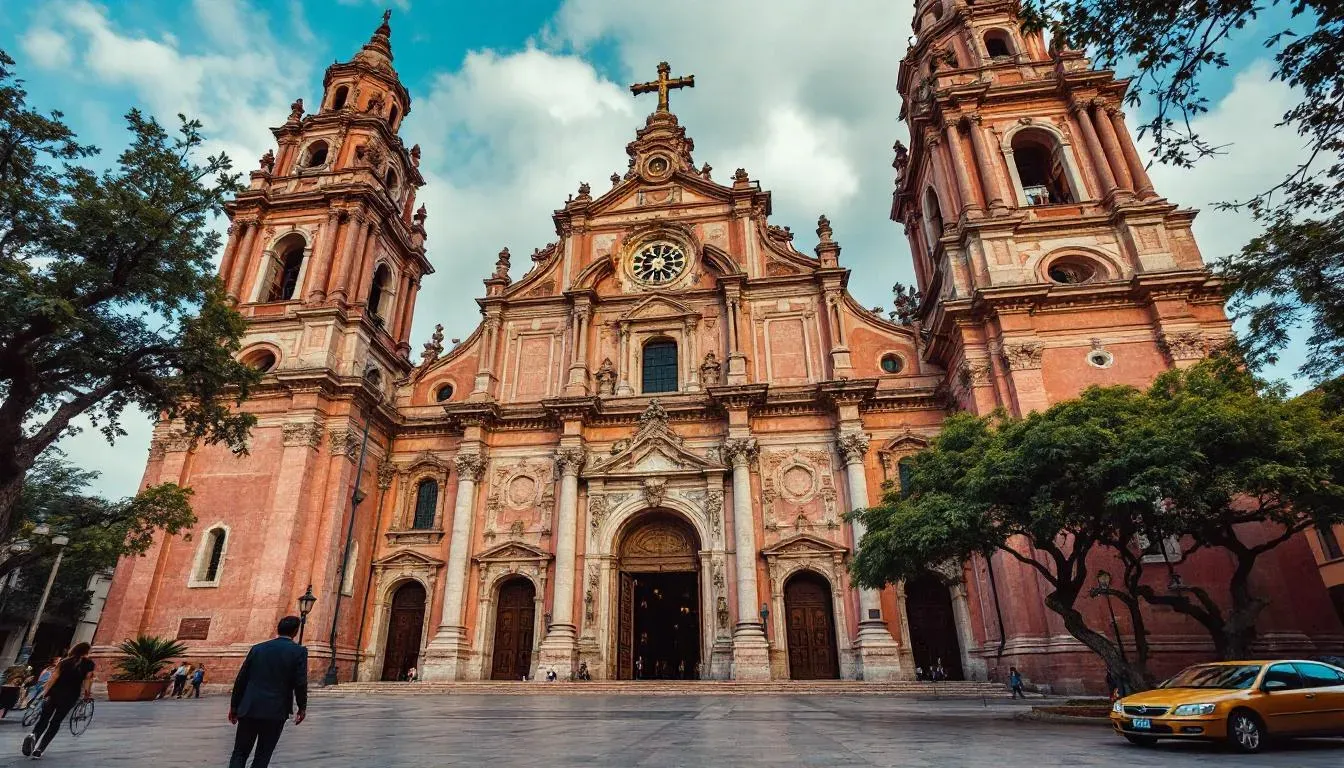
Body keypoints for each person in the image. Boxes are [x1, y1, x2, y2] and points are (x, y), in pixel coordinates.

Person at [228, 616, 309, 768]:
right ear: (295, 631)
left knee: (239, 752)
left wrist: (234, 706)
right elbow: (300, 682)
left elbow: (241, 679)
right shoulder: (298, 651)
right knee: (263, 754)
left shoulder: (257, 648)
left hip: (249, 707)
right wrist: (302, 707)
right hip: (276, 711)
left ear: (278, 628)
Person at [22, 642, 94, 759]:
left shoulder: (64, 662)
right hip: (70, 696)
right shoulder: (89, 664)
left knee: (43, 719)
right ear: (87, 651)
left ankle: (32, 735)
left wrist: (44, 694)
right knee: (56, 722)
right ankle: (40, 749)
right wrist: (87, 694)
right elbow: (87, 680)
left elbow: (52, 679)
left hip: (54, 694)